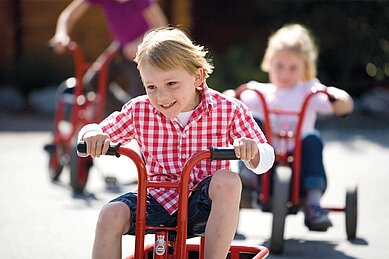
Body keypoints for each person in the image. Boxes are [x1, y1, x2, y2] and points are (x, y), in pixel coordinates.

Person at [77, 27, 275, 259]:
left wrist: (251, 150)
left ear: (197, 77)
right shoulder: (139, 110)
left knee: (228, 180)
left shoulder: (228, 109)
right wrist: (91, 134)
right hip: (156, 199)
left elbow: (266, 158)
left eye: (171, 84)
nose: (162, 97)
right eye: (152, 87)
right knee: (110, 214)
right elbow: (97, 130)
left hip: (204, 205)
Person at [226, 23, 353, 231]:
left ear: (306, 68)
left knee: (312, 139)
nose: (285, 73)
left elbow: (333, 98)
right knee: (254, 122)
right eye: (279, 66)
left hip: (299, 156)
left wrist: (340, 100)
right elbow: (237, 99)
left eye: (293, 68)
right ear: (269, 63)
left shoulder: (309, 89)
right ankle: (247, 177)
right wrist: (231, 95)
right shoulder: (261, 91)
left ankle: (313, 201)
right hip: (265, 157)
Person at [50, 0, 168, 111]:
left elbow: (161, 25)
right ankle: (126, 113)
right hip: (119, 49)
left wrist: (139, 43)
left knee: (143, 94)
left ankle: (139, 116)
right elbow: (69, 14)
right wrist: (61, 35)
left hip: (143, 53)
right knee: (93, 83)